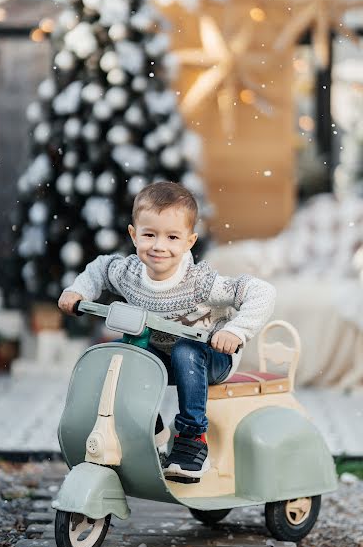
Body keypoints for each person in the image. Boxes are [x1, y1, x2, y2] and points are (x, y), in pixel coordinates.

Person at [58, 181, 276, 482]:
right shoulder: (128, 273)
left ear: (189, 241)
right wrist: (77, 290)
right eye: (149, 235)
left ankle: (191, 440)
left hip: (211, 357)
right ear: (134, 235)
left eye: (172, 237)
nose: (159, 245)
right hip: (159, 356)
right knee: (126, 351)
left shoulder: (200, 282)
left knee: (186, 350)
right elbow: (99, 269)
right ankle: (152, 430)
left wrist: (237, 331)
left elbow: (262, 292)